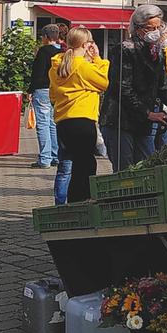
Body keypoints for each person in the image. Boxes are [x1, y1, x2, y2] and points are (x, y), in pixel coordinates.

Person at [101, 6, 167, 169]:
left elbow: (164, 87)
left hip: (143, 121)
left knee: (147, 166)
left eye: (158, 27)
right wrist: (148, 113)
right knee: (126, 171)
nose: (156, 31)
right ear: (138, 29)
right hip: (120, 120)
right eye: (150, 28)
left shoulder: (157, 52)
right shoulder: (125, 49)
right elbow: (123, 89)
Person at [49, 27, 108, 204]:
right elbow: (104, 82)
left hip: (63, 121)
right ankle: (82, 202)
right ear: (86, 44)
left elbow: (53, 95)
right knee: (86, 166)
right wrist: (98, 59)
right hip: (83, 119)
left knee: (71, 165)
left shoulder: (56, 66)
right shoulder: (82, 66)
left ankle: (68, 202)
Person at [27, 25, 62, 170]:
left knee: (42, 124)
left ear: (46, 37)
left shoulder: (43, 52)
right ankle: (55, 155)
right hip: (56, 90)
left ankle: (45, 158)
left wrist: (30, 90)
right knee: (53, 124)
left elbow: (37, 73)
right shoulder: (62, 52)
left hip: (42, 90)